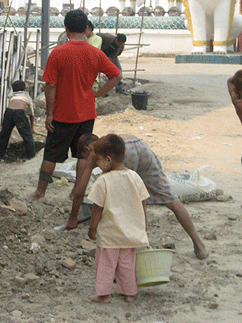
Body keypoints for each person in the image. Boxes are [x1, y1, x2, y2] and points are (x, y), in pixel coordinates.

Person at [67, 133, 209, 260]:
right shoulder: (109, 142)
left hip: (125, 155)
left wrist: (73, 219)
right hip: (141, 146)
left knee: (119, 202)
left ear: (86, 150)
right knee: (170, 198)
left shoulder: (95, 153)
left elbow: (80, 191)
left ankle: (124, 249)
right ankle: (199, 245)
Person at [29, 9, 122, 200]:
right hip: (87, 112)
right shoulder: (95, 53)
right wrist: (97, 93)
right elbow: (117, 75)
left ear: (66, 28)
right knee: (84, 155)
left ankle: (40, 192)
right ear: (86, 28)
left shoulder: (58, 53)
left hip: (62, 114)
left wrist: (49, 114)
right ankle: (76, 193)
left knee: (51, 155)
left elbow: (50, 85)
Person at [87, 134, 149, 303]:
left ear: (108, 159)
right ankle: (129, 293)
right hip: (130, 233)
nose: (97, 163)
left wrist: (92, 228)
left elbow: (97, 208)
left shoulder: (103, 181)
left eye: (98, 160)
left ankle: (103, 294)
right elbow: (142, 202)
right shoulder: (135, 177)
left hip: (110, 234)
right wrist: (144, 224)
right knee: (127, 265)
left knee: (105, 265)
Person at [0, 80, 35, 159]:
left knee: (4, 133)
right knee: (27, 135)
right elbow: (31, 115)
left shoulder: (13, 96)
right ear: (25, 90)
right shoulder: (27, 97)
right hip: (19, 114)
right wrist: (32, 128)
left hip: (8, 112)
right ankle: (31, 156)